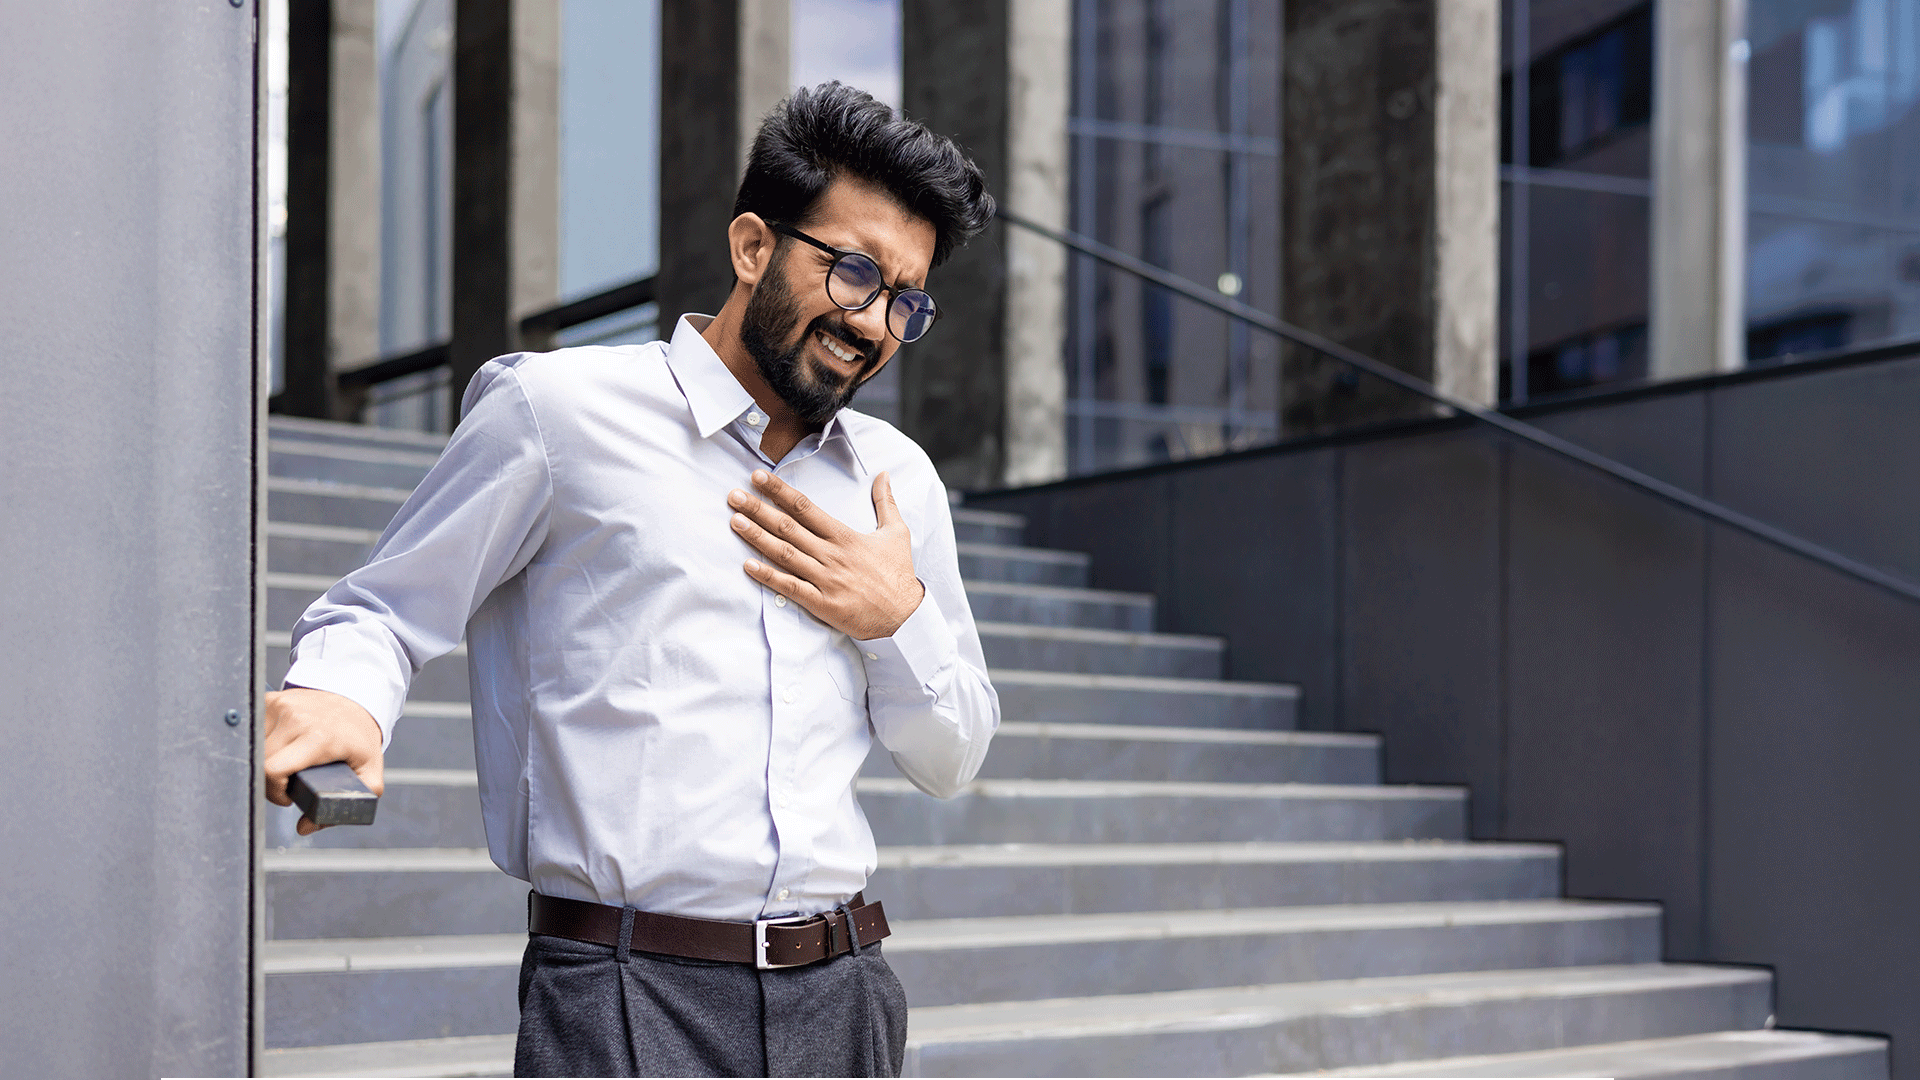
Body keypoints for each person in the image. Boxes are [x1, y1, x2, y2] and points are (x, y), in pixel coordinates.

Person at [262, 82, 1000, 1078]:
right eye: (855, 272)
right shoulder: (556, 413)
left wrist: (895, 618)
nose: (874, 323)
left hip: (845, 996)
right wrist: (339, 695)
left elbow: (954, 757)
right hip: (626, 989)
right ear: (754, 247)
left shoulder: (895, 482)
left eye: (905, 300)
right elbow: (384, 611)